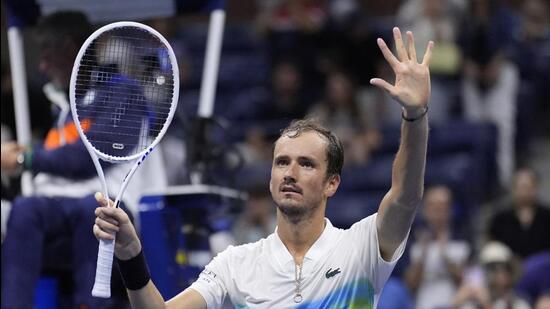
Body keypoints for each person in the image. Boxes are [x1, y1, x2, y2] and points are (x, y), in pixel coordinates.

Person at [93, 27, 433, 308]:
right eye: (282, 162)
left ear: (332, 183)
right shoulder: (235, 264)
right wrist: (130, 254)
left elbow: (405, 195)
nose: (290, 172)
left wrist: (414, 116)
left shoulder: (360, 248)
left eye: (306, 164)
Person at [1, 11, 166, 308]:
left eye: (47, 54)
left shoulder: (122, 93)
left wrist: (26, 158)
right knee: (24, 209)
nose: (42, 65)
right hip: (56, 210)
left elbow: (86, 159)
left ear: (68, 48)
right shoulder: (65, 107)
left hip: (111, 205)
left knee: (91, 211)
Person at [404, 185, 470, 309]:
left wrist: (444, 253)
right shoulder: (413, 240)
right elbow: (410, 284)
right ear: (425, 210)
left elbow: (466, 281)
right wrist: (423, 254)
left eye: (442, 207)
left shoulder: (462, 238)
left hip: (454, 303)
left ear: (450, 209)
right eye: (433, 207)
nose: (438, 212)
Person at [488, 167, 550, 259]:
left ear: (535, 188)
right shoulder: (500, 220)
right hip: (509, 269)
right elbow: (493, 251)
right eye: (521, 187)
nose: (524, 192)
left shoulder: (547, 216)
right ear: (513, 189)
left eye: (528, 187)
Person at [452, 241, 530, 309]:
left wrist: (486, 305)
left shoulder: (516, 304)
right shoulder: (474, 300)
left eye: (498, 268)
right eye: (490, 268)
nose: (493, 274)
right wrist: (456, 303)